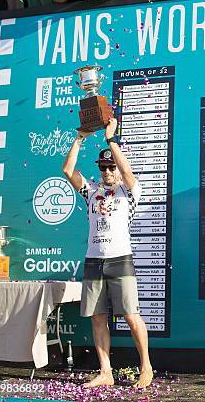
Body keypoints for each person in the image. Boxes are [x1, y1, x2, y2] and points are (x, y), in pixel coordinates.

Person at [62, 118, 153, 388]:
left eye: (111, 166)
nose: (108, 171)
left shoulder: (129, 191)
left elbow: (128, 172)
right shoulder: (91, 190)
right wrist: (79, 138)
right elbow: (68, 170)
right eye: (103, 167)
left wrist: (111, 141)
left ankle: (146, 367)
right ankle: (105, 371)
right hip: (94, 261)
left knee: (131, 315)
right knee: (98, 318)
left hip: (120, 260)